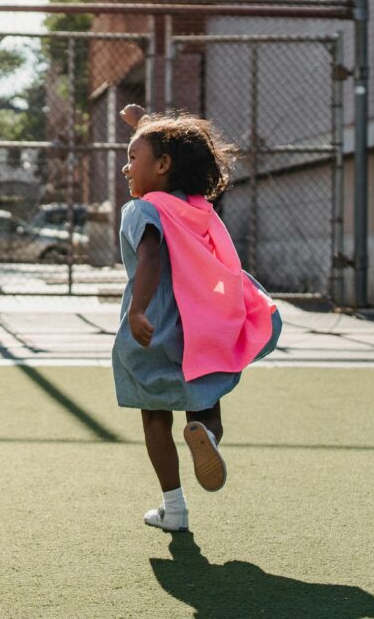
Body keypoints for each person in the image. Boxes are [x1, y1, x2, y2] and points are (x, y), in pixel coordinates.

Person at [114, 104, 282, 533]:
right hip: (199, 326)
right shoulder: (196, 206)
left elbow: (150, 256)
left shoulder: (142, 210)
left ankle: (174, 508)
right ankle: (206, 435)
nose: (125, 168)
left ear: (163, 165)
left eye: (132, 159)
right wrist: (143, 127)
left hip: (153, 322)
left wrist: (137, 309)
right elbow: (169, 149)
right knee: (203, 397)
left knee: (154, 416)